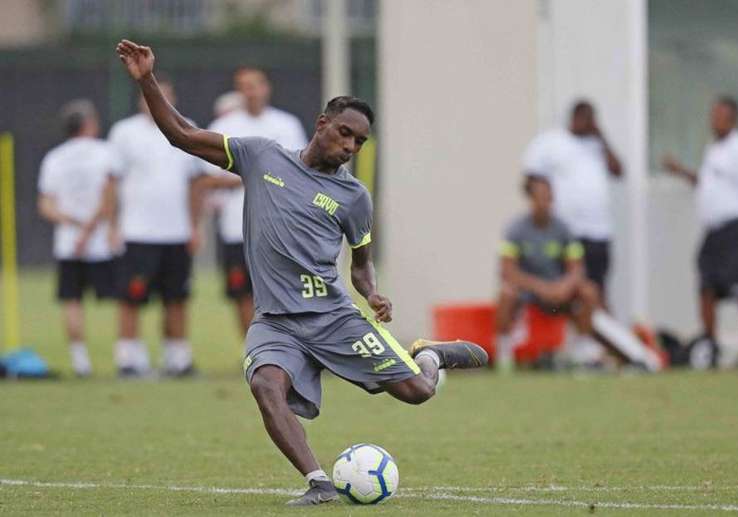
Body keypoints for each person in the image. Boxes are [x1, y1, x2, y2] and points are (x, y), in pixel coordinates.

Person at [115, 39, 488, 505]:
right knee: (264, 384)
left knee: (417, 392)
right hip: (275, 321)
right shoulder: (261, 157)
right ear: (322, 125)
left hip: (332, 317)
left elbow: (362, 266)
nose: (350, 146)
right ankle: (319, 483)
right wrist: (148, 78)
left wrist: (371, 295)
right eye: (346, 134)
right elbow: (182, 135)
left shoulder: (354, 198)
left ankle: (429, 355)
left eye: (360, 142)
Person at [106, 75, 207, 377]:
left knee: (176, 297)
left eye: (165, 96)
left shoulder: (185, 127)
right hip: (137, 232)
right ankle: (128, 359)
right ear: (142, 99)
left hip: (175, 233)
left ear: (172, 99)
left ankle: (178, 358)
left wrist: (194, 226)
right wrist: (113, 225)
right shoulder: (124, 133)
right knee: (131, 297)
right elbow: (112, 181)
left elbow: (195, 183)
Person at [663, 96, 738, 367]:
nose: (713, 120)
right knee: (706, 286)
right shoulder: (713, 149)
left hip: (737, 229)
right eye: (712, 115)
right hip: (714, 231)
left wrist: (735, 213)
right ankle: (711, 346)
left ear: (733, 119)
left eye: (719, 115)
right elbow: (708, 184)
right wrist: (681, 172)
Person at [202, 67, 308, 335]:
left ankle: (288, 348)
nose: (250, 92)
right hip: (236, 226)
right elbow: (208, 177)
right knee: (241, 293)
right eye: (244, 87)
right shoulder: (224, 128)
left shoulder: (287, 125)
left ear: (266, 88)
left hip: (280, 227)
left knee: (284, 292)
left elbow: (300, 172)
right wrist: (256, 175)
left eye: (255, 85)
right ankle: (254, 347)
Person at [37, 99, 119, 377]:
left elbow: (46, 205)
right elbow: (109, 197)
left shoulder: (54, 158)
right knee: (122, 300)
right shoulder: (105, 153)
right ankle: (126, 357)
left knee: (72, 300)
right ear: (89, 124)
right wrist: (91, 228)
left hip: (68, 244)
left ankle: (80, 362)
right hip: (100, 243)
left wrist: (73, 224)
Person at [496, 176, 602, 368]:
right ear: (530, 199)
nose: (546, 202)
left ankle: (583, 348)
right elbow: (508, 271)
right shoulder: (515, 229)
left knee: (589, 291)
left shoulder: (563, 229)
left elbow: (576, 267)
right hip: (529, 291)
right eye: (540, 197)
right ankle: (504, 352)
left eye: (549, 197)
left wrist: (564, 286)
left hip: (559, 290)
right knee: (506, 292)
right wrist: (541, 287)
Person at [522, 100, 623, 299]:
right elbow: (531, 177)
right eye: (585, 119)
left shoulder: (597, 145)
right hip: (567, 230)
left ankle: (592, 330)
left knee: (596, 290)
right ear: (574, 118)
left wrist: (601, 137)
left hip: (597, 232)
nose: (589, 124)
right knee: (567, 287)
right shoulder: (552, 142)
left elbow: (618, 171)